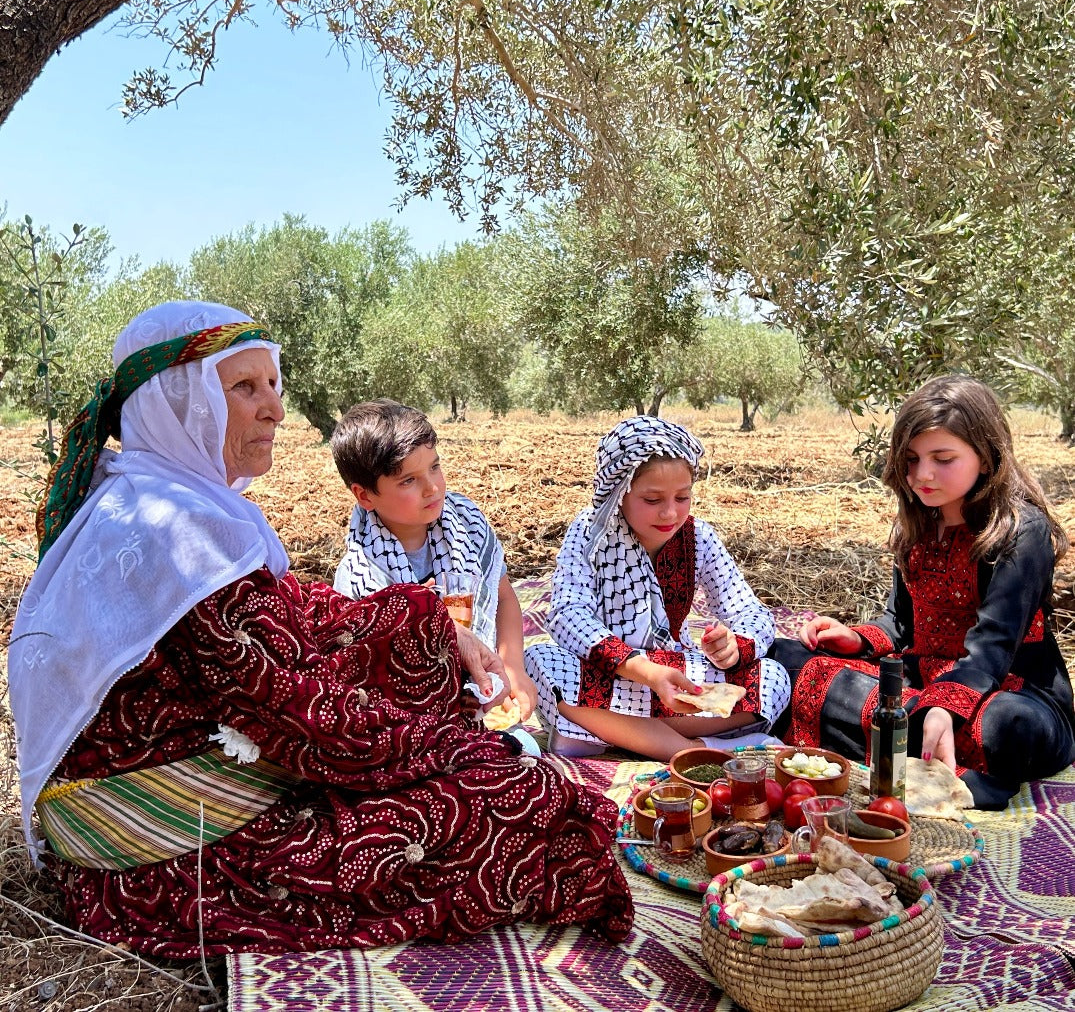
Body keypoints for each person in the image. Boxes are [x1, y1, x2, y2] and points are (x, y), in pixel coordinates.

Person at [8, 301, 633, 958]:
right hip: (178, 860)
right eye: (244, 387)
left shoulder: (157, 503)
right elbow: (310, 722)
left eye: (272, 384)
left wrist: (436, 628)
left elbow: (296, 611)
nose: (275, 408)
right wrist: (468, 750)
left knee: (417, 633)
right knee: (524, 798)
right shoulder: (174, 537)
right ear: (177, 403)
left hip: (199, 792)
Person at [773, 375, 1075, 809]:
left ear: (987, 458)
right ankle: (922, 742)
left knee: (1010, 726)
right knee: (786, 657)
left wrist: (947, 706)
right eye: (912, 459)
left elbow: (993, 648)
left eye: (943, 458)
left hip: (1006, 689)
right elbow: (900, 622)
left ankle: (908, 739)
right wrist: (856, 639)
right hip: (921, 677)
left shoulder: (1020, 531)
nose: (922, 474)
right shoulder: (917, 524)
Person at [525, 415, 791, 761]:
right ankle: (698, 751)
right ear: (619, 493)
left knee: (773, 677)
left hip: (675, 677)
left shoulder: (699, 537)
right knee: (538, 661)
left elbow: (748, 611)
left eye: (682, 497)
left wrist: (735, 647)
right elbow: (567, 615)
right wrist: (644, 671)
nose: (670, 513)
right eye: (652, 500)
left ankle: (609, 734)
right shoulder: (591, 533)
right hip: (611, 672)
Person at [330, 399, 539, 748]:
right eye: (409, 480)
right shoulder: (361, 578)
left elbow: (502, 596)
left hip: (485, 687)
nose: (432, 488)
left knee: (542, 669)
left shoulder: (466, 523)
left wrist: (512, 666)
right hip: (420, 712)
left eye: (435, 467)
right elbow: (377, 680)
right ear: (365, 496)